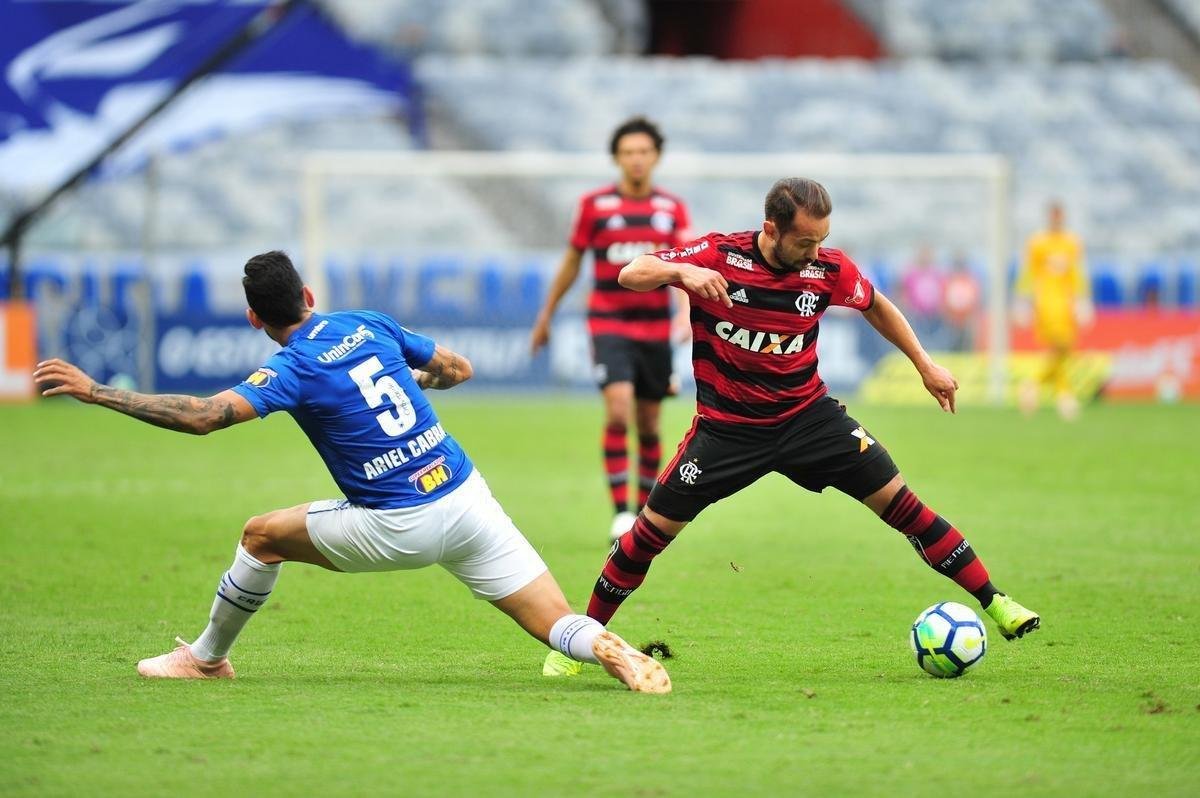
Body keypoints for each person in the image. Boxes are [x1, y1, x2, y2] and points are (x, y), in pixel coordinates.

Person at [33, 251, 670, 693]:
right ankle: (613, 652)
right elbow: (459, 368)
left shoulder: (291, 368)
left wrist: (98, 392)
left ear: (255, 319)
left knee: (260, 536)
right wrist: (419, 379)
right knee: (555, 620)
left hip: (399, 524)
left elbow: (204, 416)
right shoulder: (367, 322)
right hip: (468, 499)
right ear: (309, 297)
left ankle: (205, 660)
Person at [576, 178, 1039, 652]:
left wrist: (924, 364)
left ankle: (997, 602)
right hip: (728, 431)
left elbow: (876, 305)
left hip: (808, 419)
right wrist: (685, 275)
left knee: (904, 505)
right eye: (805, 242)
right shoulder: (719, 255)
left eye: (822, 239)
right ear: (770, 230)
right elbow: (632, 272)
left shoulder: (827, 269)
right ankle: (577, 642)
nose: (816, 251)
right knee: (648, 536)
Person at [530, 116, 692, 543]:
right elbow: (572, 261)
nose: (636, 159)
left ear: (655, 156)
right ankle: (620, 511)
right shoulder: (594, 206)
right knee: (619, 411)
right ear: (617, 158)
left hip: (656, 327)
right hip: (609, 322)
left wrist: (683, 312)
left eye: (643, 151)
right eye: (628, 152)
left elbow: (682, 268)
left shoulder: (670, 209)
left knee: (650, 422)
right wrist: (547, 312)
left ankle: (641, 513)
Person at [1015, 201, 1092, 420]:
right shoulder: (1038, 243)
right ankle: (1064, 396)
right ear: (1049, 217)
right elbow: (1028, 273)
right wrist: (1022, 301)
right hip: (1046, 303)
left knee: (1063, 350)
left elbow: (1077, 273)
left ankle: (1033, 385)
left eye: (1060, 215)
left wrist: (1083, 300)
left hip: (1066, 303)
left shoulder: (1072, 242)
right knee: (1059, 347)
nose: (1057, 219)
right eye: (1054, 215)